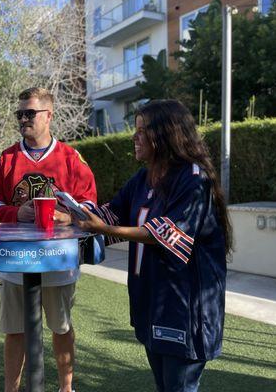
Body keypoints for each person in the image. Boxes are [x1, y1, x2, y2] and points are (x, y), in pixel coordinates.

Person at [73, 99, 231, 392]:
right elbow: (113, 213)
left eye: (142, 130)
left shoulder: (194, 179)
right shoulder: (144, 177)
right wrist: (70, 215)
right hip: (151, 303)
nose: (134, 137)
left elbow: (168, 233)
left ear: (166, 134)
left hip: (184, 309)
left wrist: (103, 228)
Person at [0, 87, 98, 392]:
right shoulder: (7, 158)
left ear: (48, 116)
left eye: (29, 113)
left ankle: (66, 388)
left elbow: (90, 206)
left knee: (60, 327)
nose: (23, 119)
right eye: (19, 114)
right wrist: (14, 213)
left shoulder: (71, 158)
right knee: (15, 330)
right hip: (13, 260)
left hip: (57, 258)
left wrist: (70, 217)